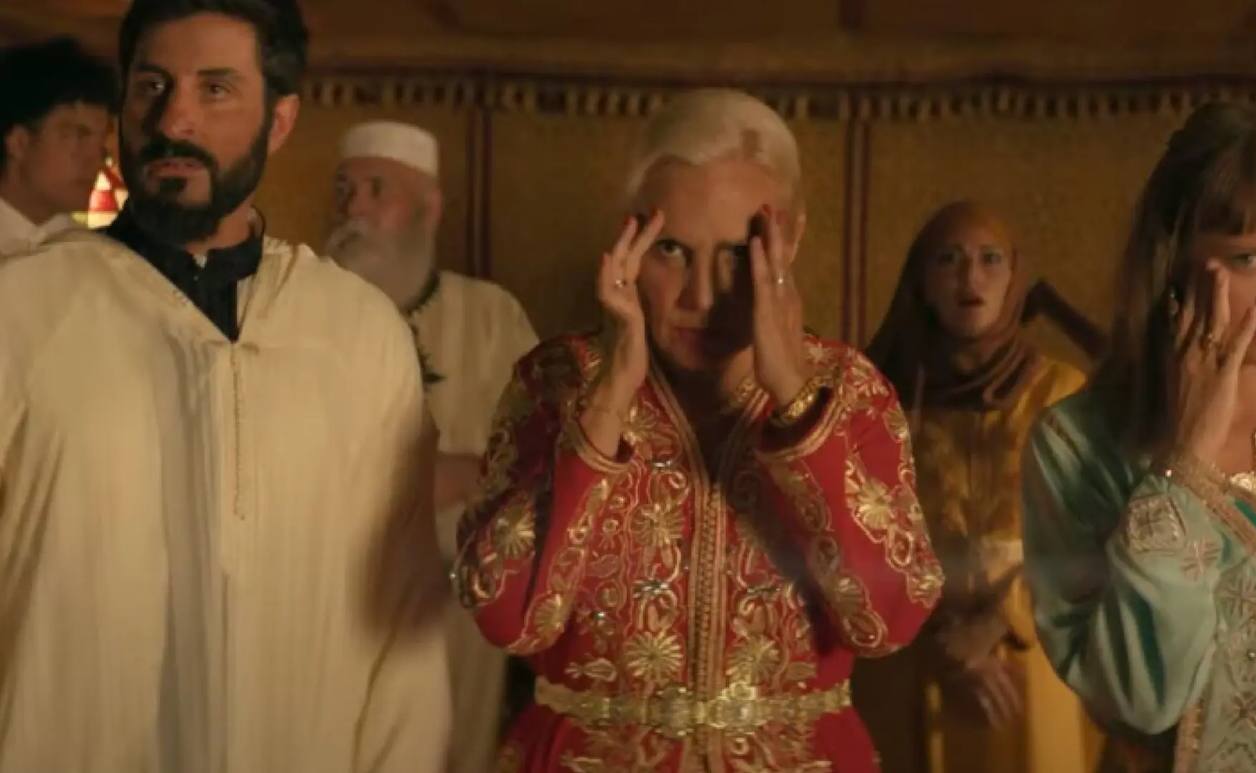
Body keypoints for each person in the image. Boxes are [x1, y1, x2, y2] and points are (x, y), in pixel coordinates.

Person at [0, 1, 450, 770]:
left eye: (215, 89)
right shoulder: (23, 309)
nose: (174, 120)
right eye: (151, 86)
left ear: (280, 120)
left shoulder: (356, 334)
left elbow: (402, 615)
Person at [453, 88, 943, 771]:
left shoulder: (848, 392)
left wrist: (796, 406)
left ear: (793, 237)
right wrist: (607, 405)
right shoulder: (556, 382)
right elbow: (509, 618)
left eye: (737, 253)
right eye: (671, 250)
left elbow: (890, 620)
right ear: (628, 237)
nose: (703, 296)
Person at [1023, 102, 1256, 772]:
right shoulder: (1075, 446)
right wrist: (1185, 469)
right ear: (1174, 261)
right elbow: (1140, 699)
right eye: (1249, 258)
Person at [859, 202, 1099, 773]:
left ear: (1015, 277)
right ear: (922, 281)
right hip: (913, 655)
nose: (971, 277)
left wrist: (999, 622)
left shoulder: (1064, 394)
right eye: (949, 260)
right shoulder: (877, 396)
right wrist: (945, 642)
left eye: (990, 259)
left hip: (1031, 653)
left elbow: (1095, 535)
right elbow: (855, 534)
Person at [327, 119, 537, 773]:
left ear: (430, 208)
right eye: (345, 190)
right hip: (331, 599)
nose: (355, 208)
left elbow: (549, 454)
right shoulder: (302, 313)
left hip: (454, 607)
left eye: (378, 190)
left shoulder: (492, 316)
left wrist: (470, 474)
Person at [0, 37, 115, 257]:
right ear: (19, 142)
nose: (96, 161)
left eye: (101, 144)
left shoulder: (96, 256)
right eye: (77, 136)